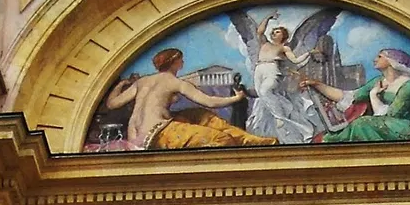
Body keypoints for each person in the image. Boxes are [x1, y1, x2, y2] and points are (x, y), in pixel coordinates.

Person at [102, 49, 278, 151]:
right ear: (175, 63)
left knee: (200, 115)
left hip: (136, 135)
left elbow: (112, 103)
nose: (183, 62)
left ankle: (252, 140)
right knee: (222, 140)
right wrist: (235, 98)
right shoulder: (174, 82)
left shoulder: (142, 81)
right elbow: (209, 101)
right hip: (158, 134)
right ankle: (246, 144)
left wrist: (121, 84)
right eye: (180, 60)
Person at [304, 47, 410, 143]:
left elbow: (392, 115)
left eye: (379, 56)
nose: (375, 59)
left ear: (393, 62)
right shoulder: (378, 81)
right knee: (340, 133)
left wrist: (374, 96)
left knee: (362, 124)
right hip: (392, 124)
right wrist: (316, 84)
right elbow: (348, 97)